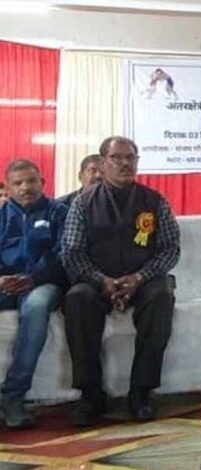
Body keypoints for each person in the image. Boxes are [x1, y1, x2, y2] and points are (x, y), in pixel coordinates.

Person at [60, 136, 180, 427]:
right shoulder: (83, 203)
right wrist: (102, 281)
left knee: (162, 295)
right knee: (76, 299)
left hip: (143, 279)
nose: (125, 163)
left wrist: (139, 277)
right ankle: (91, 394)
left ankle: (141, 392)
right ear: (103, 163)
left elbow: (170, 248)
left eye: (130, 158)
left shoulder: (154, 201)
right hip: (96, 280)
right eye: (117, 158)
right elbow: (71, 252)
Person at [0, 160, 67, 429]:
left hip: (44, 285)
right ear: (7, 188)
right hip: (7, 284)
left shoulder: (59, 213)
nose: (25, 187)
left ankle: (13, 396)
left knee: (37, 306)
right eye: (18, 183)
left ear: (43, 183)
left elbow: (66, 257)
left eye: (31, 181)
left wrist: (34, 279)